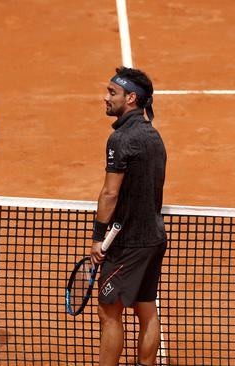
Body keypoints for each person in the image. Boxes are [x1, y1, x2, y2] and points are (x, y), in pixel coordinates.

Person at [90, 66, 167, 366]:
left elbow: (110, 193)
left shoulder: (121, 140)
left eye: (112, 92)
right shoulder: (153, 136)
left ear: (131, 98)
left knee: (108, 312)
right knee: (147, 310)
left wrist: (98, 238)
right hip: (154, 239)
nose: (106, 97)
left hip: (127, 244)